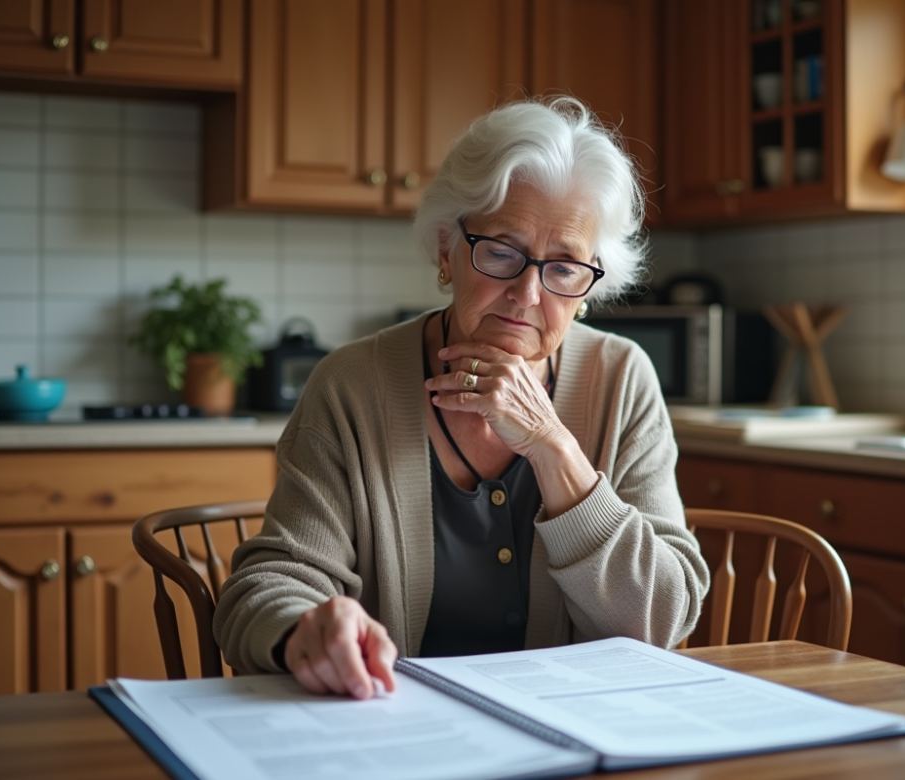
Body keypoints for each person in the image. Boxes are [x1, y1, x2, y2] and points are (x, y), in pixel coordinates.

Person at [213, 96, 709, 699]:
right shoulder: (351, 386)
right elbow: (268, 585)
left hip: (574, 730)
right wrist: (307, 626)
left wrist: (555, 450)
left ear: (590, 285)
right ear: (447, 250)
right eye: (501, 251)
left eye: (565, 268)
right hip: (394, 727)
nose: (527, 294)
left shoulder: (623, 377)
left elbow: (661, 620)